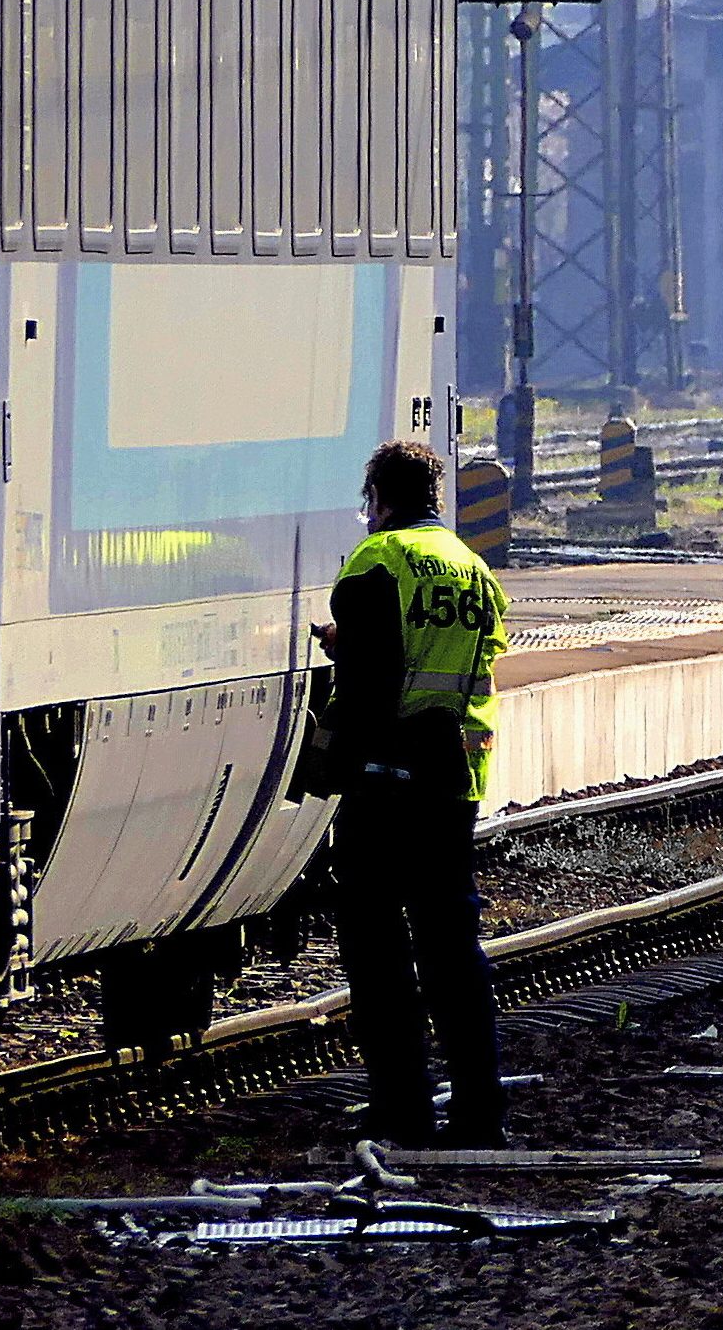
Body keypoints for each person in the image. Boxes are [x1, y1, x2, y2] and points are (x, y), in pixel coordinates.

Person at [314, 439, 510, 1145]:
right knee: (453, 952)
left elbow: (372, 681)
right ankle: (480, 1113)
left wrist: (330, 760)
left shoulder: (378, 560)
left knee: (378, 951)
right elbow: (454, 661)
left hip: (385, 780)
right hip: (454, 779)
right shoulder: (472, 568)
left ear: (380, 498)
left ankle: (403, 1108)